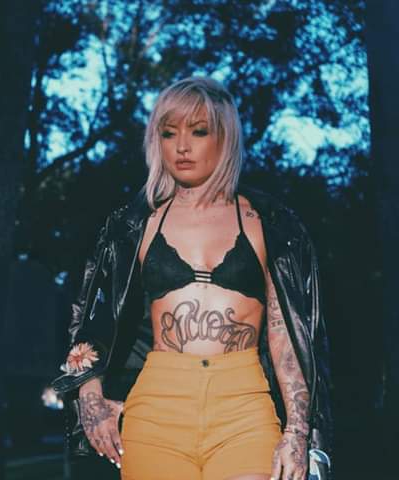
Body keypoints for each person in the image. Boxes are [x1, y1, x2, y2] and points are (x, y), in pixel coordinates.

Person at [50, 76, 334, 480]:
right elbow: (92, 320)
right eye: (169, 133)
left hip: (244, 403)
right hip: (158, 403)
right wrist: (91, 401)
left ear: (225, 138)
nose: (182, 146)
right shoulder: (134, 225)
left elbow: (287, 334)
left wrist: (298, 432)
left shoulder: (268, 222)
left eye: (198, 131)